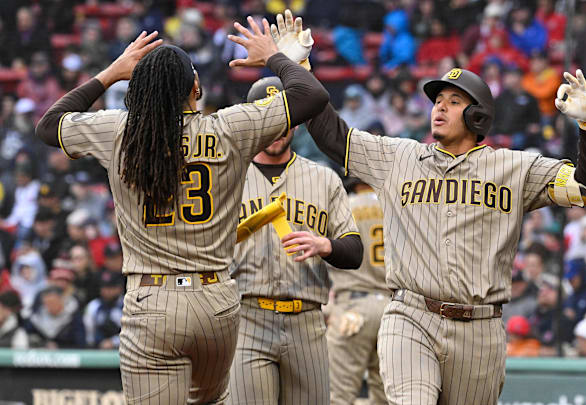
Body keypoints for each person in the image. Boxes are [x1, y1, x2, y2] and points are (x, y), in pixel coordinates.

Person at [35, 12, 329, 404]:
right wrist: (277, 58)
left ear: (138, 88)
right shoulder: (229, 127)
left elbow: (47, 124)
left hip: (152, 299)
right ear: (196, 87)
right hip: (216, 301)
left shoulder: (116, 132)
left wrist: (111, 73)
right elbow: (312, 96)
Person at [304, 61, 586, 403]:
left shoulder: (515, 167)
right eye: (438, 100)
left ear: (477, 115)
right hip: (411, 315)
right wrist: (299, 71)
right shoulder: (398, 157)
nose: (440, 106)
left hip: (480, 328)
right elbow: (332, 137)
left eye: (454, 101)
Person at [227, 75, 362, 405]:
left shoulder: (323, 178)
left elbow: (354, 251)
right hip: (246, 316)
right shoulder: (227, 175)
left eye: (284, 118)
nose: (276, 128)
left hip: (308, 321)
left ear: (297, 123)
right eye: (267, 118)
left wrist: (325, 245)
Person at [327, 177, 390, 405]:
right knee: (386, 398)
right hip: (392, 310)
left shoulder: (345, 209)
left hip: (353, 307)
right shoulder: (396, 208)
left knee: (339, 397)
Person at [83, 271, 125, 349]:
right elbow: (89, 335)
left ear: (119, 288)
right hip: (99, 348)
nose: (107, 291)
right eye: (104, 287)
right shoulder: (93, 306)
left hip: (123, 348)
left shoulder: (126, 305)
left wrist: (113, 341)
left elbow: (132, 333)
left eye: (111, 287)